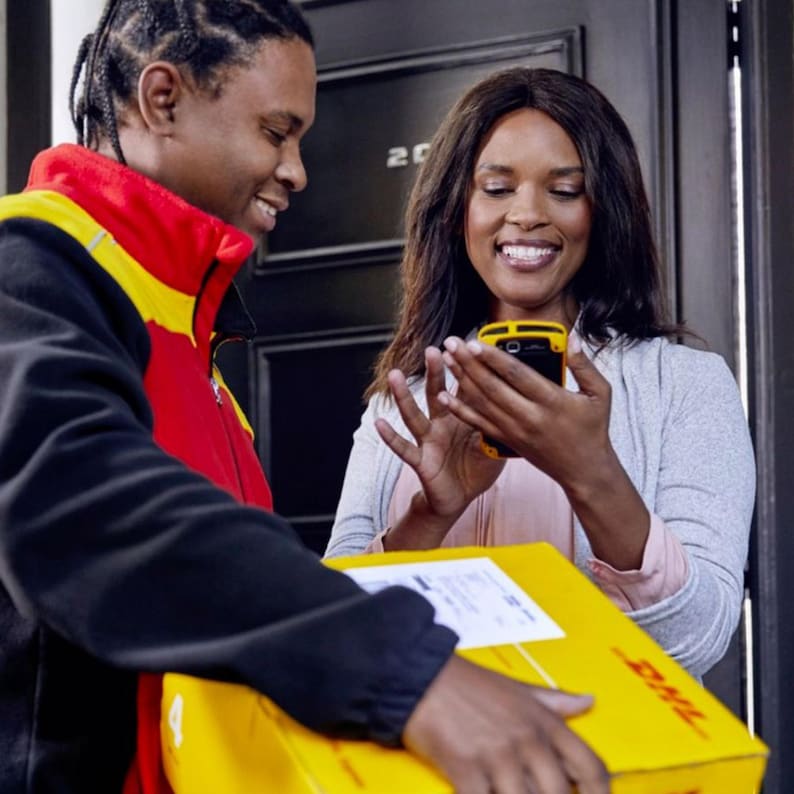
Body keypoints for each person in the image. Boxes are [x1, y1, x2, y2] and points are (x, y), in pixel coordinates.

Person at [0, 5, 609, 794]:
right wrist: (402, 669)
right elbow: (79, 510)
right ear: (162, 99)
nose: (297, 170)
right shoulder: (31, 262)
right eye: (276, 132)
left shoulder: (197, 334)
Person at [326, 66, 755, 680]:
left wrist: (592, 474)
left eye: (565, 189)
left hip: (595, 758)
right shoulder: (404, 401)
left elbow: (700, 638)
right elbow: (336, 634)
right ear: (456, 210)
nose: (526, 214)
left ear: (603, 210)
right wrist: (429, 514)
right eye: (497, 188)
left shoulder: (686, 386)